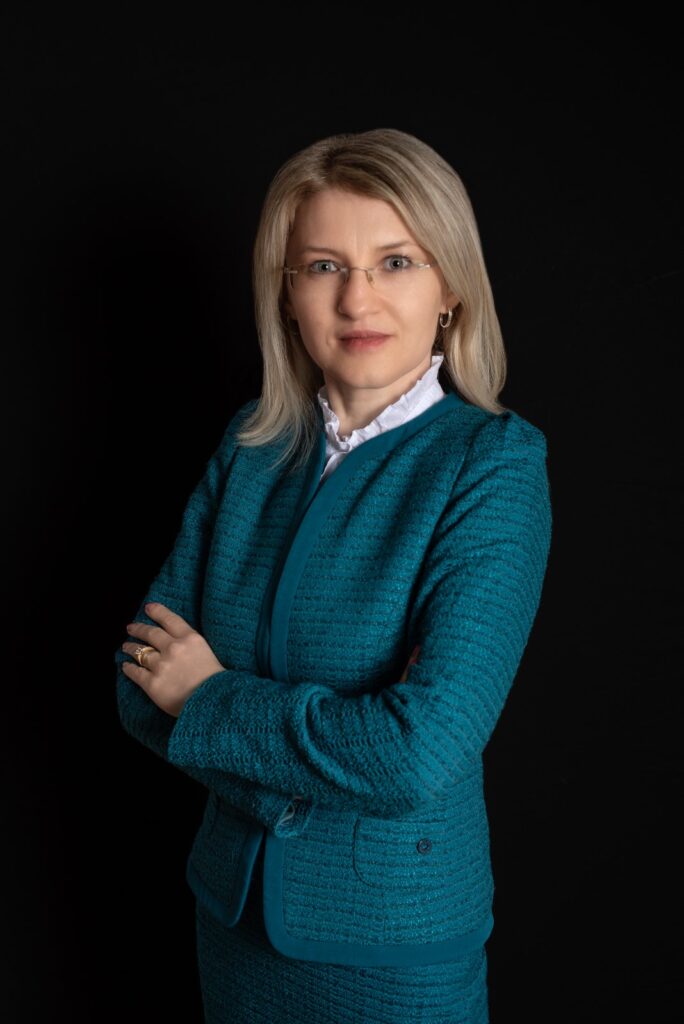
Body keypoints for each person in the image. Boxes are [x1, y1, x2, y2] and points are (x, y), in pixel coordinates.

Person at [114, 127, 553, 1024]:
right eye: (323, 266)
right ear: (286, 292)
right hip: (230, 927)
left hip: (391, 952)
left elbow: (416, 753)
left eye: (395, 261)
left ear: (449, 287)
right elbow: (138, 686)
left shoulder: (492, 465)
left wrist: (208, 699)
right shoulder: (251, 449)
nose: (357, 298)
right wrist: (308, 758)